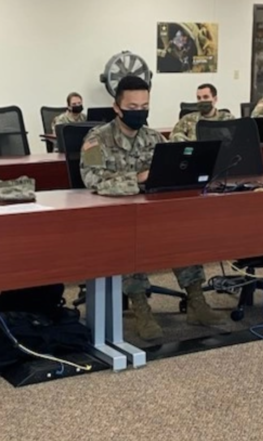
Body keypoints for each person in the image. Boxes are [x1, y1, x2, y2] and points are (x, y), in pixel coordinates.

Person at [79, 76, 223, 340]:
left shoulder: (154, 137)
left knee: (181, 232)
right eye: (133, 107)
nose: (139, 112)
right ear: (117, 107)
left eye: (144, 106)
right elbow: (93, 179)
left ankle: (196, 302)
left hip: (153, 214)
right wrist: (138, 179)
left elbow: (173, 170)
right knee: (130, 239)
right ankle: (141, 310)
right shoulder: (95, 140)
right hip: (115, 218)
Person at [170, 83, 235, 142]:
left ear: (215, 99)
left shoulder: (227, 118)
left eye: (205, 97)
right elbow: (174, 136)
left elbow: (237, 140)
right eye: (199, 98)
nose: (202, 100)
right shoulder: (188, 119)